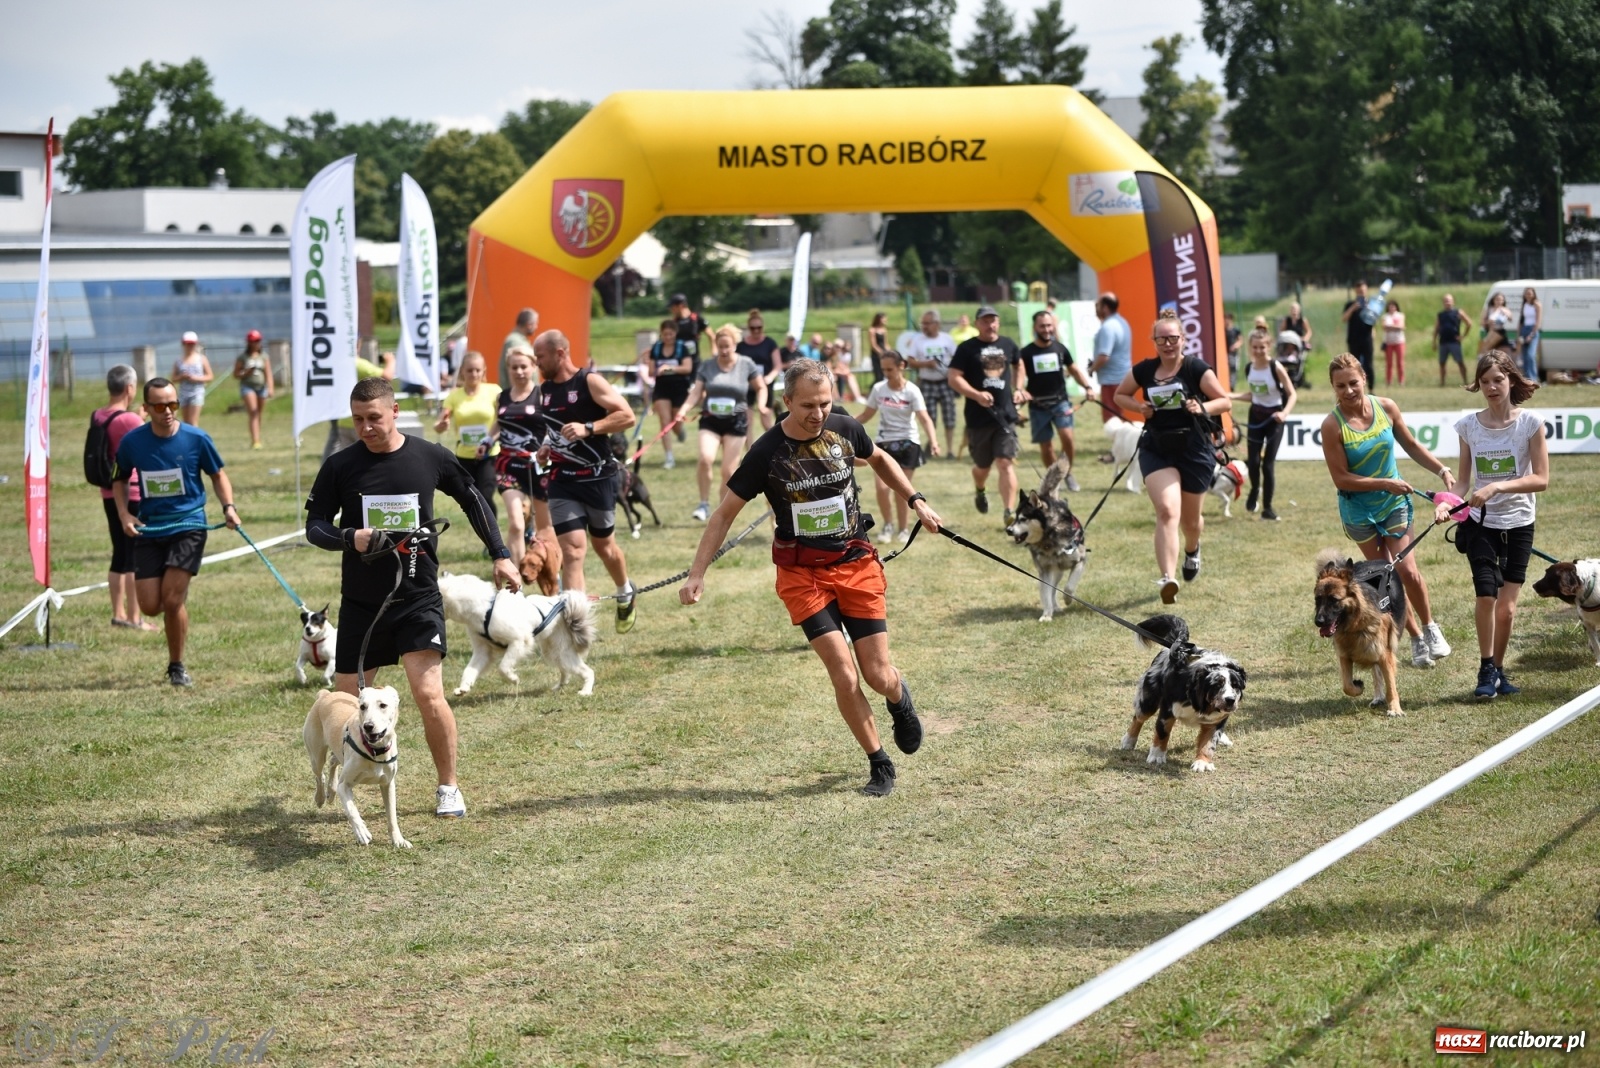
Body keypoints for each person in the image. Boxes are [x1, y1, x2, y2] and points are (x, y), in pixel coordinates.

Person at [679, 358, 942, 797]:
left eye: (824, 403)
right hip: (803, 575)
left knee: (877, 675)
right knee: (844, 674)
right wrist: (697, 574)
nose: (818, 414)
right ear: (785, 402)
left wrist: (916, 500)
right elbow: (724, 514)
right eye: (807, 405)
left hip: (856, 565)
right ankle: (879, 763)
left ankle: (899, 698)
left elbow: (878, 459)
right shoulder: (765, 452)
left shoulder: (844, 429)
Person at [305, 376, 519, 819]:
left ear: (395, 411)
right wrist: (351, 536)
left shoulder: (429, 457)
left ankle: (449, 788)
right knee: (347, 702)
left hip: (418, 597)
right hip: (363, 604)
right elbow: (316, 526)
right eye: (358, 419)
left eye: (374, 418)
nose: (365, 427)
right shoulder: (341, 465)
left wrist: (500, 554)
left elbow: (473, 500)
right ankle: (351, 778)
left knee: (427, 693)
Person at [1319, 352, 1455, 668]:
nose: (1349, 390)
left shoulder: (1386, 407)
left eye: (1353, 383)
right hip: (1359, 511)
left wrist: (1441, 470)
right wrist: (1384, 482)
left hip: (1393, 504)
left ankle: (1431, 629)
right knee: (1386, 577)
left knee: (1405, 569)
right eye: (1341, 386)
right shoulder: (1332, 425)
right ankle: (1416, 638)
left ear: (1364, 378)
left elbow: (1411, 445)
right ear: (1333, 388)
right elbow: (1341, 478)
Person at [112, 377, 239, 686]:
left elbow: (217, 475)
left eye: (172, 404)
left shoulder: (197, 439)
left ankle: (177, 666)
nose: (167, 411)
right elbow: (119, 479)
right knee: (150, 606)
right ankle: (175, 646)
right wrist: (124, 513)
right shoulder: (132, 442)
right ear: (145, 408)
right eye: (159, 405)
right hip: (150, 528)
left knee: (171, 600)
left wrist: (229, 507)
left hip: (189, 526)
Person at [1439, 350, 1549, 699]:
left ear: (1511, 380)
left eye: (1497, 380)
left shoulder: (1530, 424)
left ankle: (1499, 671)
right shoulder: (1469, 426)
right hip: (1481, 524)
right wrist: (1447, 504)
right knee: (1486, 594)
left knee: (1508, 607)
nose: (1491, 387)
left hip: (1519, 523)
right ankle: (1486, 668)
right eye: (1484, 381)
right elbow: (1461, 483)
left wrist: (1498, 485)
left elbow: (1542, 479)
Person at [1114, 311, 1232, 604]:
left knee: (1191, 522)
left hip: (1194, 449)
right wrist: (1139, 407)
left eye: (1173, 338)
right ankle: (1168, 579)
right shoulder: (1144, 370)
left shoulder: (1196, 368)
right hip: (1157, 447)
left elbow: (1224, 401)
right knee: (1167, 511)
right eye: (1161, 339)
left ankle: (1192, 550)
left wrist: (1200, 407)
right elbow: (1120, 395)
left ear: (1183, 339)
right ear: (1154, 341)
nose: (1167, 344)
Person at [532, 329, 640, 630]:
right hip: (562, 480)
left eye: (540, 356)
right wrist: (547, 446)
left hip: (598, 478)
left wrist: (589, 427)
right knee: (572, 550)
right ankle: (574, 623)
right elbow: (554, 429)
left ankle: (624, 591)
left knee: (605, 547)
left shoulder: (589, 381)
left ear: (560, 353)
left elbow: (627, 416)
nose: (536, 362)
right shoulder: (545, 390)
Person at [94, 365, 156, 631]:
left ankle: (118, 614)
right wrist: (140, 418)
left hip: (108, 492)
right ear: (130, 388)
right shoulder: (129, 420)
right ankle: (134, 617)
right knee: (133, 557)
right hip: (131, 492)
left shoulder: (98, 416)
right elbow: (146, 438)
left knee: (119, 553)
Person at [685, 324, 768, 521]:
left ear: (734, 345)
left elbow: (761, 387)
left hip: (736, 422)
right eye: (720, 346)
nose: (723, 350)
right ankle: (703, 503)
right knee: (705, 458)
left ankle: (720, 513)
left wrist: (762, 405)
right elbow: (696, 392)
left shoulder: (746, 364)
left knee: (728, 471)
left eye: (727, 346)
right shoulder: (707, 365)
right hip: (710, 420)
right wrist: (683, 410)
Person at [948, 305, 1022, 522]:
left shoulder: (1008, 344)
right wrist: (976, 394)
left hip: (1005, 416)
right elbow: (954, 377)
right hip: (978, 418)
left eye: (993, 320)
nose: (990, 325)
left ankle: (1009, 512)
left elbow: (1019, 364)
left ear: (998, 323)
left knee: (1004, 462)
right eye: (985, 321)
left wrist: (1019, 389)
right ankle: (980, 489)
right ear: (977, 323)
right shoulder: (967, 348)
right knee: (982, 468)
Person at [857, 349, 940, 543]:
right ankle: (888, 525)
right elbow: (865, 415)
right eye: (883, 369)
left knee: (903, 490)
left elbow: (924, 418)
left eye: (890, 369)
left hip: (908, 443)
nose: (886, 373)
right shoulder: (879, 389)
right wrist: (842, 427)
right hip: (884, 443)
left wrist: (934, 442)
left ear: (901, 366)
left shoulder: (912, 390)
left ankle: (903, 529)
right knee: (881, 488)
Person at [1018, 309, 1094, 490]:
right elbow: (1019, 374)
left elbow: (1074, 370)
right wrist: (1020, 391)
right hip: (1038, 405)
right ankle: (1055, 479)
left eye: (1049, 325)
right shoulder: (1026, 352)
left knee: (1067, 437)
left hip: (1060, 402)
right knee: (1047, 447)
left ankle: (1068, 473)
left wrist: (1088, 387)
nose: (1046, 329)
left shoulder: (1061, 348)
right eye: (1042, 326)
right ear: (1035, 327)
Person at [1226, 329, 1297, 520]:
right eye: (1255, 347)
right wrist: (1231, 396)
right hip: (1255, 416)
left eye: (1262, 347)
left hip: (1274, 419)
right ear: (1250, 348)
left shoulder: (1276, 367)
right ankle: (1254, 490)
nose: (1258, 351)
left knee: (1267, 465)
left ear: (1269, 346)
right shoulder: (1249, 368)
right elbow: (1253, 395)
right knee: (1254, 462)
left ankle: (1268, 509)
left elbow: (1292, 394)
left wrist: (1284, 413)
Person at [493, 346, 548, 569]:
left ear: (533, 367)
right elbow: (499, 423)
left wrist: (546, 447)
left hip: (537, 465)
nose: (519, 371)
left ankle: (551, 574)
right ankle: (515, 582)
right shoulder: (501, 396)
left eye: (524, 366)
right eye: (514, 367)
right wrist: (488, 441)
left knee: (545, 527)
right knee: (516, 524)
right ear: (508, 369)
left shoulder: (542, 395)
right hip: (508, 465)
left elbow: (552, 427)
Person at [433, 351, 502, 522]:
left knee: (486, 494)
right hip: (464, 455)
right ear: (462, 371)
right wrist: (441, 425)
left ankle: (493, 536)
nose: (474, 374)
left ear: (484, 370)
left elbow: (503, 420)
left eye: (478, 370)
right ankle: (482, 528)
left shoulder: (494, 391)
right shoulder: (454, 395)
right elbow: (439, 423)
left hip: (489, 453)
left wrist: (491, 440)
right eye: (470, 370)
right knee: (471, 498)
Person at [904, 309, 959, 459]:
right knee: (930, 417)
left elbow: (957, 358)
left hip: (945, 382)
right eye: (923, 323)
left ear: (936, 324)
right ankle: (932, 445)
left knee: (949, 417)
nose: (924, 326)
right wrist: (925, 364)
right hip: (927, 382)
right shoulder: (918, 340)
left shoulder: (947, 339)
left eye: (927, 323)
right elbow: (910, 361)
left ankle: (949, 450)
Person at [639, 318, 694, 469]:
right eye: (665, 334)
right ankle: (669, 457)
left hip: (679, 388)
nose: (668, 337)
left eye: (670, 334)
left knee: (675, 422)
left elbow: (688, 368)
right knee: (664, 422)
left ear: (675, 333)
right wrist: (656, 369)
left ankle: (680, 432)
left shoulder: (682, 348)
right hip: (662, 389)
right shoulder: (656, 348)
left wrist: (670, 368)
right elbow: (651, 372)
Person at [1090, 292, 1135, 442]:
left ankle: (1117, 450)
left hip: (1112, 380)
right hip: (1122, 377)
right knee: (1120, 416)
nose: (1096, 309)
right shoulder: (1122, 322)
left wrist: (1092, 369)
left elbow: (1104, 356)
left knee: (1112, 419)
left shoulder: (1108, 327)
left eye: (1098, 305)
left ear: (1105, 307)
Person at [736, 309, 782, 430]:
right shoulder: (741, 346)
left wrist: (770, 377)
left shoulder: (770, 343)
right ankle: (750, 448)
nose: (756, 330)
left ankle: (776, 446)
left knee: (766, 420)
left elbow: (778, 365)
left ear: (762, 327)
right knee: (747, 421)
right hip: (747, 385)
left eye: (759, 327)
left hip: (765, 384)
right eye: (753, 328)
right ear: (749, 328)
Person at [233, 329, 274, 449]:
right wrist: (245, 372)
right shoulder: (243, 357)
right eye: (253, 341)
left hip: (261, 387)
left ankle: (257, 437)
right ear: (248, 342)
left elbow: (268, 373)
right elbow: (236, 374)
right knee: (253, 412)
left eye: (257, 340)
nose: (256, 343)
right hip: (247, 387)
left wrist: (270, 388)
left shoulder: (264, 356)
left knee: (259, 413)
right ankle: (255, 440)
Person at [172, 331, 213, 427]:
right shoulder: (178, 360)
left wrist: (196, 378)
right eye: (188, 344)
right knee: (186, 422)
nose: (190, 346)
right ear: (183, 344)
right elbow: (173, 378)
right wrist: (182, 377)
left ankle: (195, 441)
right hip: (183, 393)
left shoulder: (201, 359)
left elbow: (210, 376)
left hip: (197, 392)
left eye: (192, 344)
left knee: (193, 421)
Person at [1341, 280, 1377, 388]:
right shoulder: (1349, 304)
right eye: (1359, 290)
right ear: (1355, 291)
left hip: (1366, 338)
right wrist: (1352, 308)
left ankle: (1371, 387)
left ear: (1366, 290)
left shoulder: (1371, 304)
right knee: (1353, 364)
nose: (1361, 292)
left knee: (1368, 364)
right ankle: (1355, 385)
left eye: (1363, 290)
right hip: (1354, 339)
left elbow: (1374, 320)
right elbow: (1344, 319)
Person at [1433, 293, 1471, 386]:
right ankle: (1442, 383)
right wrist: (1434, 341)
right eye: (1446, 300)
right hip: (1443, 341)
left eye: (1449, 300)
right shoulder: (1440, 314)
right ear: (1443, 302)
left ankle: (1465, 381)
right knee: (1442, 363)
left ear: (1453, 301)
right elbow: (1436, 329)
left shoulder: (1458, 312)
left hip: (1454, 341)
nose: (1447, 302)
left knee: (1460, 362)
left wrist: (1463, 336)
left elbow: (1469, 323)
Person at [500, 307, 538, 387]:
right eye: (535, 324)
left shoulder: (517, 340)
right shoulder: (515, 342)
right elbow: (515, 374)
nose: (536, 327)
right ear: (529, 325)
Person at [1516, 286, 1542, 382]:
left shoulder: (1537, 304)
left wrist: (1532, 334)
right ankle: (1526, 378)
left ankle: (1533, 378)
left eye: (1530, 293)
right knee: (1524, 356)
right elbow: (1521, 320)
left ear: (1534, 294)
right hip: (1524, 329)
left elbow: (1538, 321)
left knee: (1531, 355)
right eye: (1527, 293)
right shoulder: (1524, 304)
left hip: (1532, 329)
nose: (1528, 295)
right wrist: (1518, 334)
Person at [1481, 291, 1515, 356]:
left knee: (1505, 352)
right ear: (1493, 300)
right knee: (1488, 350)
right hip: (1492, 332)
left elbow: (1511, 319)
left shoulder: (1505, 309)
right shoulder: (1489, 309)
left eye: (1501, 300)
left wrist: (1506, 313)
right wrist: (1488, 322)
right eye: (1497, 300)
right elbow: (1482, 323)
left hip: (1500, 332)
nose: (1499, 301)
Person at [1381, 299, 1406, 386]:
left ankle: (1401, 380)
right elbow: (1384, 327)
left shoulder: (1400, 315)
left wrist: (1390, 326)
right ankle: (1389, 381)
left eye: (1393, 306)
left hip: (1399, 341)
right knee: (1389, 363)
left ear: (1396, 307)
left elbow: (1401, 326)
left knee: (1400, 362)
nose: (1392, 308)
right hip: (1389, 343)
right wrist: (1395, 327)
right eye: (1390, 306)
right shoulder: (1385, 316)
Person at [867, 312, 890, 383]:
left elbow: (885, 343)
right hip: (876, 355)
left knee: (885, 375)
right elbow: (873, 345)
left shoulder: (884, 330)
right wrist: (881, 353)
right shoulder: (872, 330)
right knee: (878, 376)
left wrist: (889, 352)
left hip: (884, 354)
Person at [1224, 311, 1243, 384]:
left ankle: (1232, 385)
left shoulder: (1235, 330)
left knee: (1233, 369)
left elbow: (1240, 340)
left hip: (1233, 353)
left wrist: (1235, 346)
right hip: (1224, 353)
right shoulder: (1223, 330)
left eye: (1227, 318)